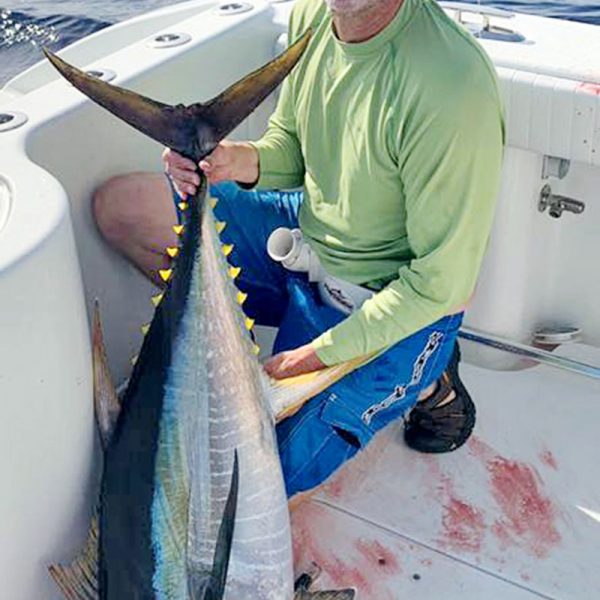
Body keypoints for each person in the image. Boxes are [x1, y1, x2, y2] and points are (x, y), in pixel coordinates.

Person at [93, 0, 504, 499]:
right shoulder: (313, 14)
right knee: (124, 209)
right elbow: (290, 146)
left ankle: (430, 377)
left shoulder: (451, 83)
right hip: (305, 239)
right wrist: (225, 162)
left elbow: (440, 286)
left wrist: (309, 358)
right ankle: (246, 343)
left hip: (391, 301)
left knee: (250, 484)